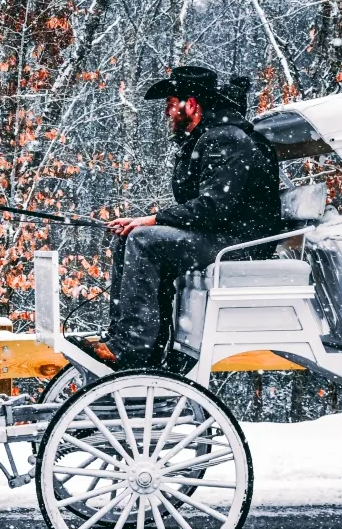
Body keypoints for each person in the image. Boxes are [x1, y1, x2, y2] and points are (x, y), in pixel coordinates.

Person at [78, 66, 282, 370]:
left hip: (241, 244)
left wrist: (152, 220)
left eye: (171, 104)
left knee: (145, 241)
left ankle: (132, 347)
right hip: (222, 236)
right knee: (131, 238)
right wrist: (148, 221)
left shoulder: (225, 139)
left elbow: (214, 208)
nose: (167, 113)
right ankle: (132, 342)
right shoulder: (210, 137)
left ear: (193, 104)